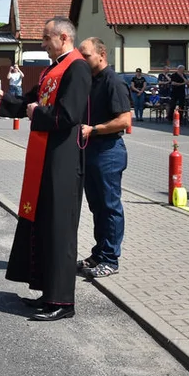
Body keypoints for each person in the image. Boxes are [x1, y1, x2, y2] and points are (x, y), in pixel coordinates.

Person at [0, 16, 90, 322]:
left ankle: (63, 303)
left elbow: (68, 115)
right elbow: (26, 102)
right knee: (43, 226)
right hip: (45, 158)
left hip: (64, 160)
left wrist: (37, 111)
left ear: (64, 38)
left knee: (59, 230)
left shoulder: (77, 68)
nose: (42, 44)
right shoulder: (50, 70)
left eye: (46, 38)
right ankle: (47, 293)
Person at [77, 38, 131, 279]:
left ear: (101, 54)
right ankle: (99, 253)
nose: (82, 60)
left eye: (86, 56)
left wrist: (94, 129)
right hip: (91, 150)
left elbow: (124, 121)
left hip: (108, 151)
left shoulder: (113, 81)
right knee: (97, 206)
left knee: (109, 207)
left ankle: (111, 259)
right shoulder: (89, 80)